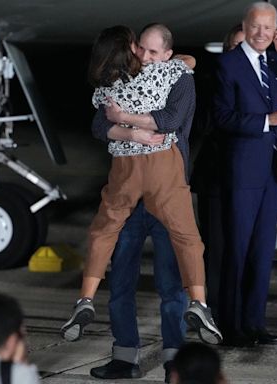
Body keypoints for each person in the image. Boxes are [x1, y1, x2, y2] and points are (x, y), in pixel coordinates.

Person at [60, 24, 221, 350]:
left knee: (103, 233)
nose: (145, 56)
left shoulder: (110, 86)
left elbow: (102, 123)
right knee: (187, 241)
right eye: (140, 49)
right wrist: (138, 130)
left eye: (151, 51)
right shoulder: (173, 73)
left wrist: (126, 123)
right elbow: (170, 118)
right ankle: (199, 305)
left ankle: (85, 299)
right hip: (162, 168)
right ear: (131, 50)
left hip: (126, 170)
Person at [213, 2, 277, 346]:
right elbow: (222, 117)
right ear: (246, 25)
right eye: (256, 27)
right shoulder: (227, 64)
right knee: (238, 250)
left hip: (273, 171)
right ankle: (230, 327)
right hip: (242, 171)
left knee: (262, 251)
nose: (262, 34)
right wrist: (266, 120)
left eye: (268, 28)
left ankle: (255, 324)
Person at [190, 24, 245, 320]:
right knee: (217, 250)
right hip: (216, 176)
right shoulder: (212, 81)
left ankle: (242, 314)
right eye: (235, 47)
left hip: (250, 180)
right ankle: (215, 313)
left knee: (245, 250)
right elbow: (203, 125)